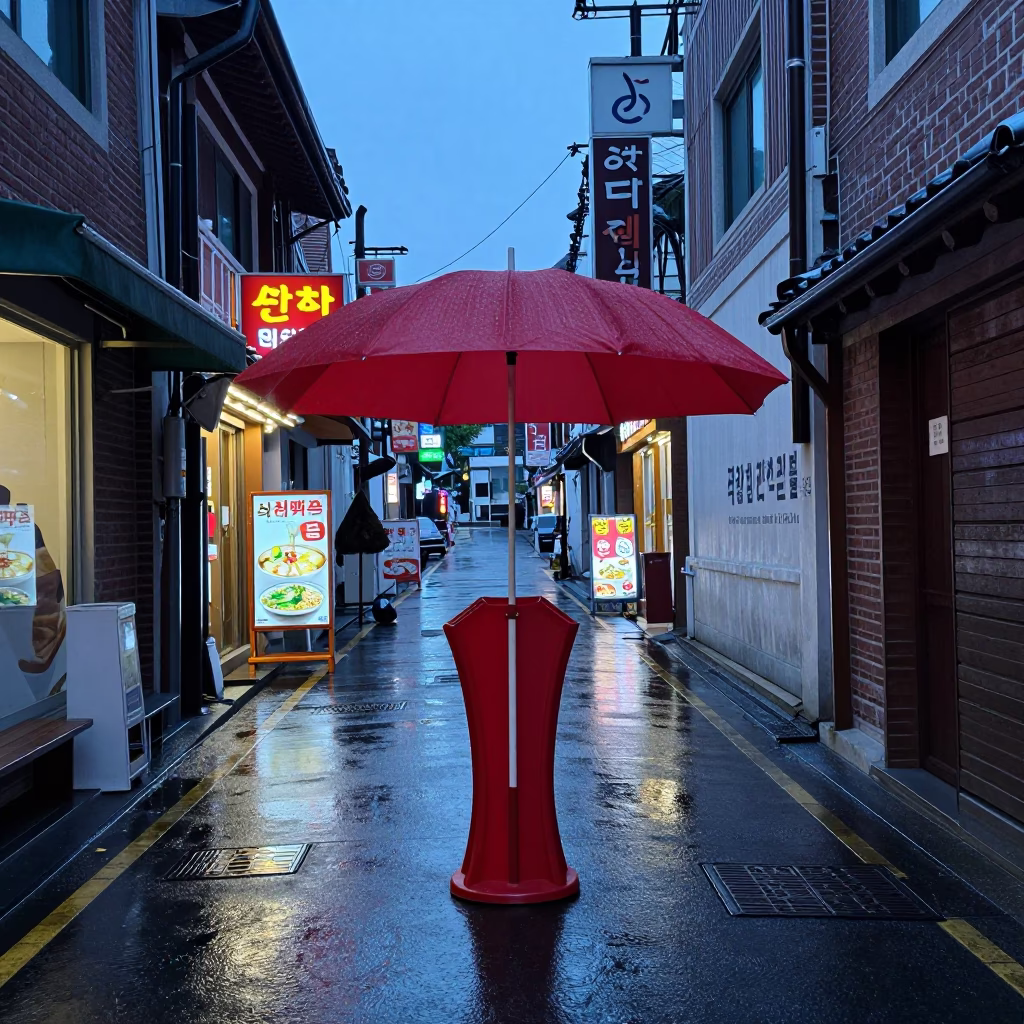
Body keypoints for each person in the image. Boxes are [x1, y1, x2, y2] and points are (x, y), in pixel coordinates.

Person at [0, 485, 66, 677]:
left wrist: (40, 657)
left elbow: (49, 591)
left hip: (18, 632)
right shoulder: (26, 530)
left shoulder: (25, 530)